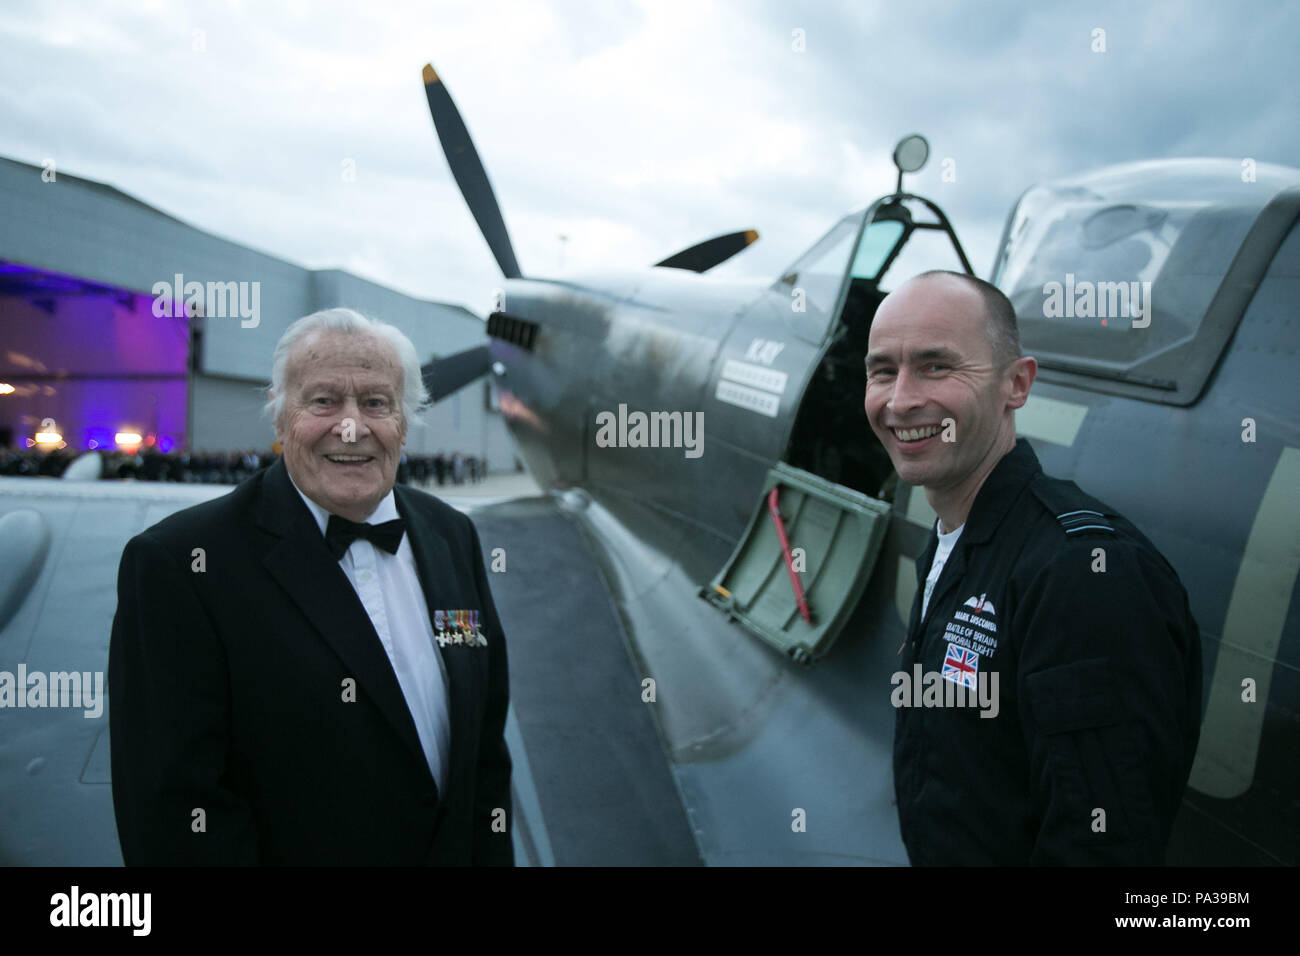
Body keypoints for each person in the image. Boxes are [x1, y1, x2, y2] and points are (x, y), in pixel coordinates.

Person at [109, 307, 513, 865]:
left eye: (375, 403)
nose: (352, 427)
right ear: (280, 418)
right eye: (323, 401)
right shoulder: (181, 565)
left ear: (404, 419)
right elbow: (176, 811)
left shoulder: (453, 536)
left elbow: (485, 752)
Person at [864, 270, 1202, 865]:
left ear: (1015, 384)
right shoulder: (955, 541)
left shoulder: (1084, 573)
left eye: (937, 366)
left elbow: (1101, 851)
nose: (901, 400)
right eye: (883, 370)